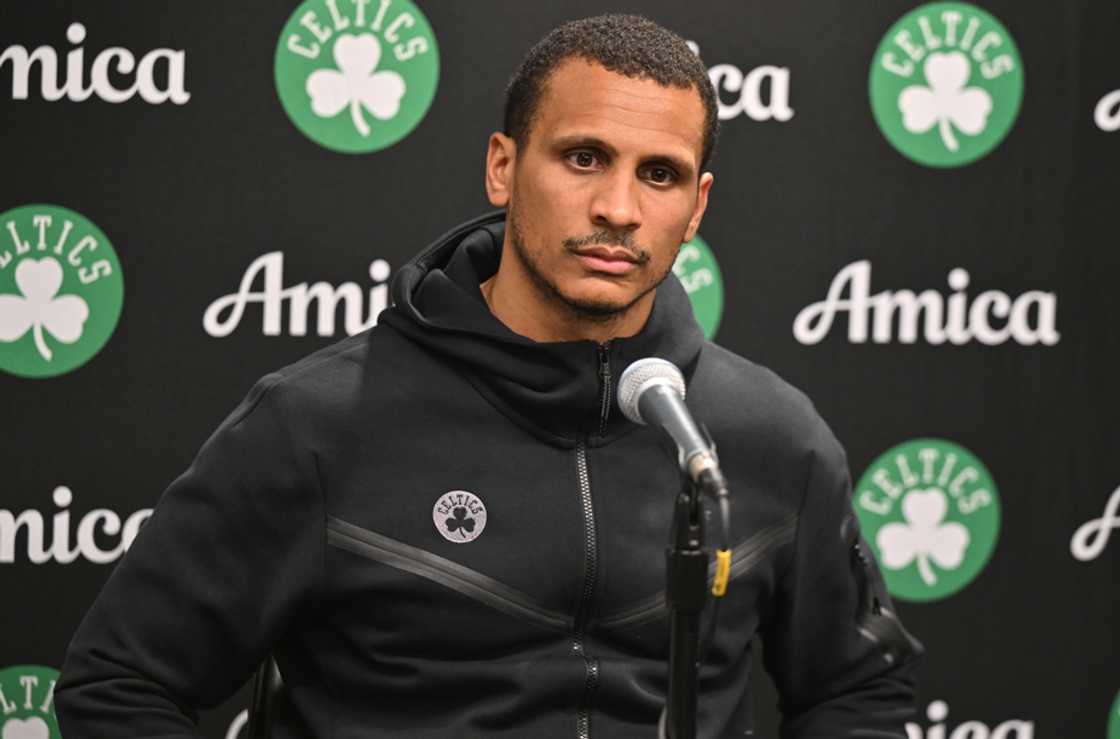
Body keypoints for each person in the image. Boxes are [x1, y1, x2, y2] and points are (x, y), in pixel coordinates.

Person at [56, 14, 922, 739]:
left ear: (695, 207)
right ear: (503, 167)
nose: (619, 208)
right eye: (584, 158)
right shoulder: (317, 424)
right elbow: (121, 684)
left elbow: (858, 694)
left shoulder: (766, 435)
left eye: (658, 175)